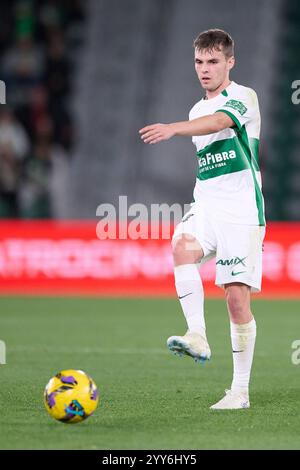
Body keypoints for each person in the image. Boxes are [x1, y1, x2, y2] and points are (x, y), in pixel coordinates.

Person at [139, 29, 265, 410]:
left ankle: (239, 391)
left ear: (230, 62)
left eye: (213, 61)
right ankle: (197, 334)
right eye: (199, 62)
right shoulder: (196, 109)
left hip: (241, 210)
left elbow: (220, 124)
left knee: (236, 300)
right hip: (207, 204)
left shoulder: (243, 97)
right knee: (181, 247)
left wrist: (173, 128)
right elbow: (208, 158)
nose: (205, 69)